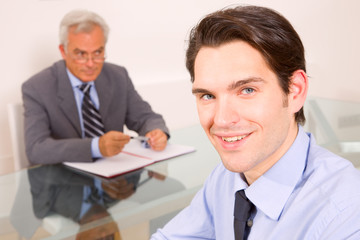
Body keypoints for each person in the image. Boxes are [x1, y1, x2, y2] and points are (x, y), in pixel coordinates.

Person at [151, 5, 360, 240]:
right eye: (208, 96)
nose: (221, 119)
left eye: (247, 90)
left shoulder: (346, 214)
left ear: (295, 92)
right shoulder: (225, 178)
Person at [22, 9, 169, 165]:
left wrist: (156, 132)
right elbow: (36, 149)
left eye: (98, 52)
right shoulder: (37, 88)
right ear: (63, 51)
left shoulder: (117, 76)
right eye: (81, 54)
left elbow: (146, 118)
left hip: (115, 178)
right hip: (65, 182)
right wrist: (95, 147)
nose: (91, 63)